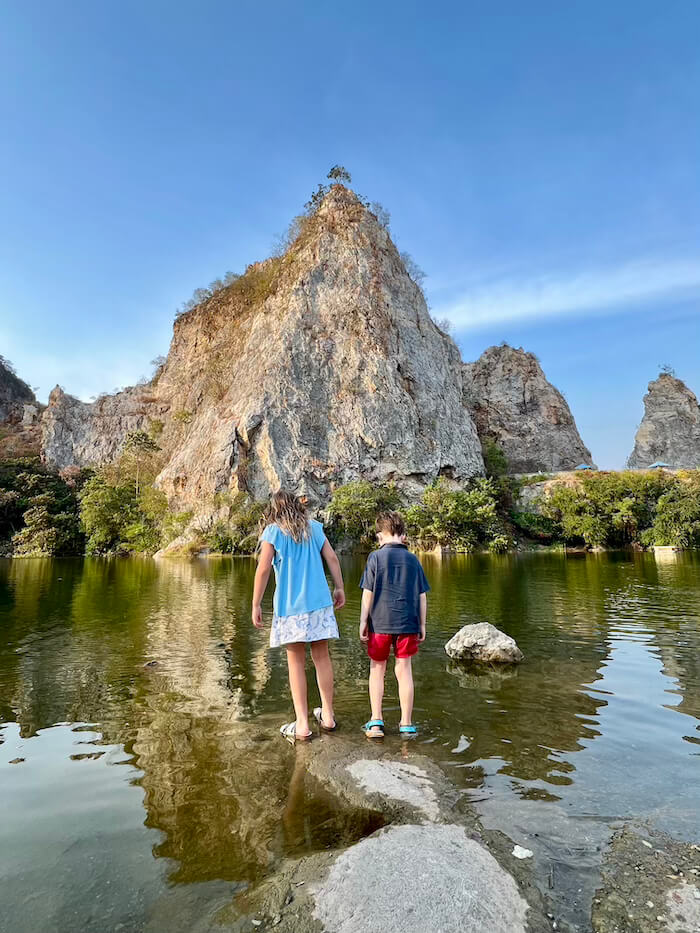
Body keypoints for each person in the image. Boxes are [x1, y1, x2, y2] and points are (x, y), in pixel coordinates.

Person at [252, 489, 345, 741]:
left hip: (290, 608)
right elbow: (333, 559)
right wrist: (339, 587)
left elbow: (262, 570)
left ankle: (302, 724)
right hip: (319, 604)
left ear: (275, 509)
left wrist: (256, 604)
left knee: (295, 663)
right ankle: (327, 716)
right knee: (322, 657)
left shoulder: (273, 532)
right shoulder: (314, 528)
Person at [359, 511, 429, 738]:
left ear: (380, 535)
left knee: (377, 669)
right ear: (403, 535)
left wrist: (363, 620)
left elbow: (367, 594)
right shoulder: (413, 559)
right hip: (408, 623)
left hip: (379, 624)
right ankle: (406, 724)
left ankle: (376, 721)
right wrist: (422, 624)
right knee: (404, 670)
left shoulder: (375, 558)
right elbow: (421, 596)